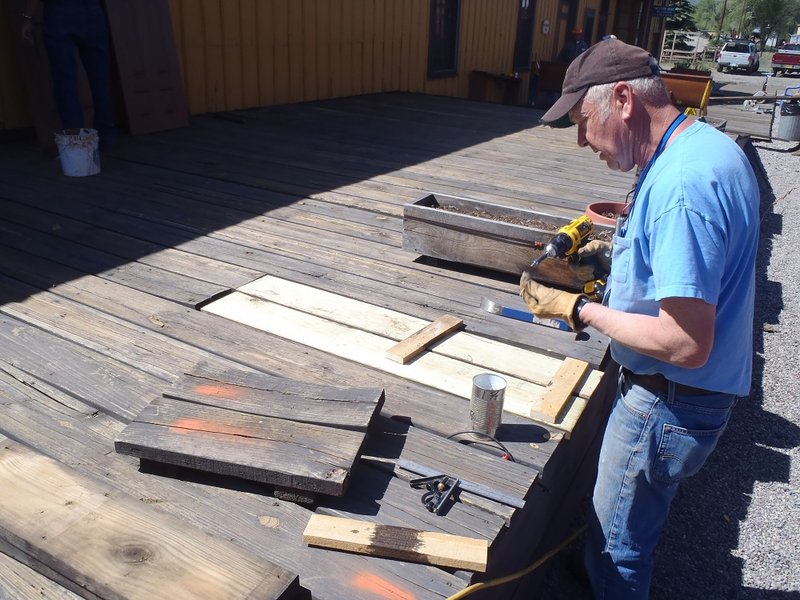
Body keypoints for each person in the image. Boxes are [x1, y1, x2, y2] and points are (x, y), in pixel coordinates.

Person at [520, 39, 759, 598]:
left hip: (667, 397)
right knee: (633, 520)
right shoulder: (703, 147)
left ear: (623, 98)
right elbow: (695, 268)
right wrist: (613, 260)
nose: (582, 141)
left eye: (584, 121)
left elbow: (683, 342)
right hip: (689, 397)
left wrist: (581, 308)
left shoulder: (680, 187)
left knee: (618, 548)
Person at [21, 0, 116, 149]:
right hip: (92, 11)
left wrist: (27, 17)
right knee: (100, 79)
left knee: (65, 81)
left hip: (59, 12)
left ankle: (76, 141)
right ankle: (106, 137)